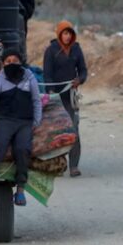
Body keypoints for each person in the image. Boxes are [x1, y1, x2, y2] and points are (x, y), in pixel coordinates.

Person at [0, 49, 42, 206]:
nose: (12, 64)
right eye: (8, 61)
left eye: (15, 61)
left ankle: (20, 189)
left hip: (24, 122)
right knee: (0, 144)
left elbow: (36, 101)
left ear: (21, 62)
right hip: (5, 120)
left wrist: (36, 121)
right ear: (3, 64)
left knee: (22, 149)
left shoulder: (29, 77)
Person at [42, 20, 88, 177]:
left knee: (73, 129)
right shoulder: (51, 50)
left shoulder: (76, 49)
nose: (68, 37)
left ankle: (74, 166)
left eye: (70, 34)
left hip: (70, 96)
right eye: (65, 33)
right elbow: (47, 74)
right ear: (60, 34)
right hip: (56, 97)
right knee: (57, 132)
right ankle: (57, 165)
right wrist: (51, 92)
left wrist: (79, 80)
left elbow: (83, 71)